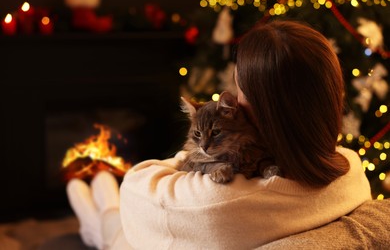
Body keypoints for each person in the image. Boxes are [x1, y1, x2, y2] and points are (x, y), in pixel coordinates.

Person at [66, 20, 381, 249]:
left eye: (239, 88)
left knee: (110, 224)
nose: (230, 99)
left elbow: (136, 190)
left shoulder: (220, 200)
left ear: (262, 107)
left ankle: (94, 214)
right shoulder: (350, 169)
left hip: (128, 237)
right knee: (104, 205)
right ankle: (96, 199)